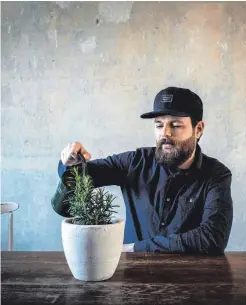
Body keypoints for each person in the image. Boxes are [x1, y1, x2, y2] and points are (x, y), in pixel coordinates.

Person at [56, 87, 233, 254]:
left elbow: (212, 238)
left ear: (198, 129)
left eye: (176, 125)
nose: (165, 133)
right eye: (158, 125)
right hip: (133, 278)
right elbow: (76, 187)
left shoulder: (216, 175)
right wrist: (71, 164)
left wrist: (135, 249)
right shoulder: (135, 162)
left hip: (191, 280)